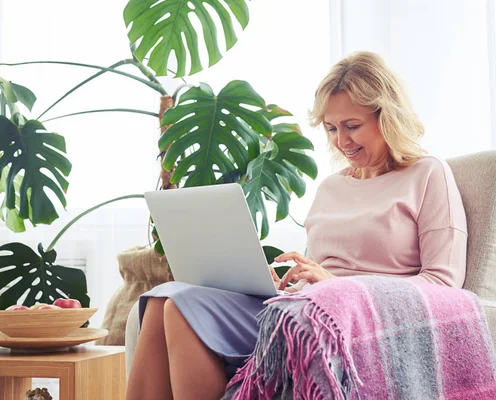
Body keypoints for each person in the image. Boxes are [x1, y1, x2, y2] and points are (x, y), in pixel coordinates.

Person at [126, 51, 467, 400]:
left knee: (184, 310)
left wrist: (339, 286)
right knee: (162, 300)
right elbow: (316, 270)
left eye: (352, 126)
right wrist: (283, 284)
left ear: (388, 117)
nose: (340, 141)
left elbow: (444, 285)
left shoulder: (427, 174)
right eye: (332, 128)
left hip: (354, 322)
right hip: (302, 307)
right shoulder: (332, 187)